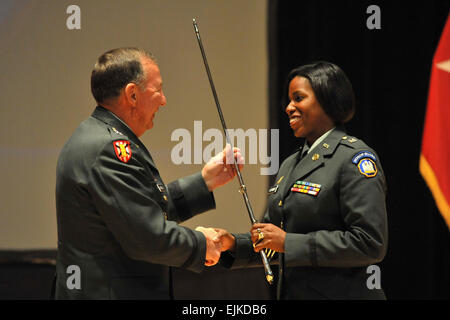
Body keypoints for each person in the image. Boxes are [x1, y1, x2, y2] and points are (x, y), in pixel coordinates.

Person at [54, 47, 242, 299]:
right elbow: (147, 237)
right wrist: (203, 242)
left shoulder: (97, 136)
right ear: (132, 95)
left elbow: (137, 210)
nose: (163, 100)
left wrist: (205, 182)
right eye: (158, 89)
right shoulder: (109, 149)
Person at [216, 61, 388, 300]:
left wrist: (289, 243)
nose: (288, 107)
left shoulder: (355, 158)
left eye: (298, 98)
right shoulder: (290, 164)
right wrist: (232, 244)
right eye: (289, 100)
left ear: (327, 100)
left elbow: (369, 243)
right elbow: (272, 240)